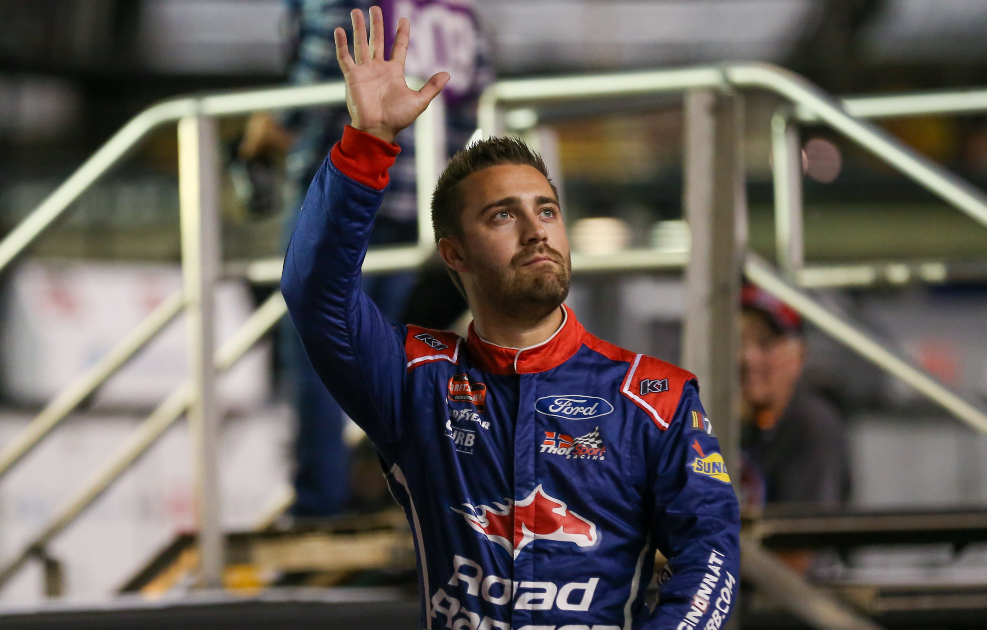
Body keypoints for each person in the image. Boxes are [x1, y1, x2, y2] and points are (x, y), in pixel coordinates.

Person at [281, 9, 740, 629]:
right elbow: (314, 292)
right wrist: (368, 144)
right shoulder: (416, 381)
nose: (536, 232)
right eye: (502, 216)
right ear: (455, 253)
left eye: (546, 210)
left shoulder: (654, 399)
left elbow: (710, 552)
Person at [241, 0, 492, 517]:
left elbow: (312, 81)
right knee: (385, 354)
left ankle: (321, 502)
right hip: (416, 196)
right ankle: (393, 492)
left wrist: (261, 136)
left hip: (347, 188)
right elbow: (473, 96)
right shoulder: (458, 8)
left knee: (318, 346)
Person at [739, 283, 851, 511]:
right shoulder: (732, 423)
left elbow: (805, 540)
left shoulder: (811, 426)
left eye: (765, 343)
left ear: (800, 354)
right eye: (739, 341)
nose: (748, 358)